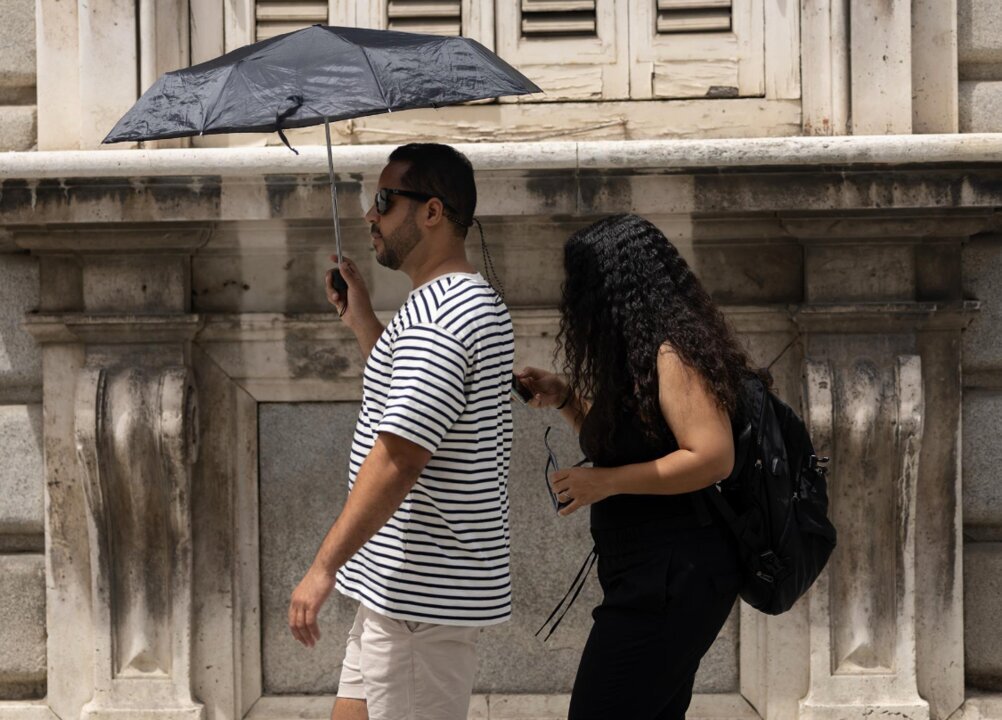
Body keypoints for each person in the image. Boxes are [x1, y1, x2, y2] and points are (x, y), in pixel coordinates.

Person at [288, 143, 514, 720]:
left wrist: (323, 567)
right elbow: (407, 406)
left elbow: (400, 457)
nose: (371, 215)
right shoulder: (447, 304)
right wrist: (363, 320)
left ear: (432, 212)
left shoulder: (442, 316)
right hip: (401, 594)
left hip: (418, 601)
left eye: (385, 201)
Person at [518, 213, 750, 720]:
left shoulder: (673, 355)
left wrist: (602, 483)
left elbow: (711, 457)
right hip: (651, 575)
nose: (574, 300)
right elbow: (629, 448)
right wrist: (566, 399)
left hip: (674, 576)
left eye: (581, 284)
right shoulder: (640, 360)